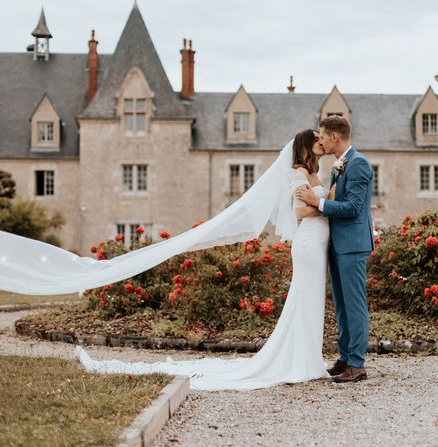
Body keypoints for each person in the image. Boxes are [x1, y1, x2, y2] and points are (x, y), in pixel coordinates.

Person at [0, 129, 346, 391]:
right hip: (308, 244)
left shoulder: (314, 174)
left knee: (311, 301)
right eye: (316, 139)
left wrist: (330, 188)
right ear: (305, 146)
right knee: (304, 299)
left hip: (317, 244)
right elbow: (299, 212)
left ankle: (307, 359)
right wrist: (321, 204)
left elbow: (322, 200)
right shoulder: (296, 175)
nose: (320, 141)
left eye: (322, 137)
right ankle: (299, 362)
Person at [296, 115, 374, 383]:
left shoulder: (359, 165)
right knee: (341, 305)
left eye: (322, 136)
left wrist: (316, 204)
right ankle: (345, 358)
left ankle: (357, 364)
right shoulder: (339, 167)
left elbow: (353, 208)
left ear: (334, 137)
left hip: (352, 245)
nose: (320, 140)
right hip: (337, 244)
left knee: (354, 304)